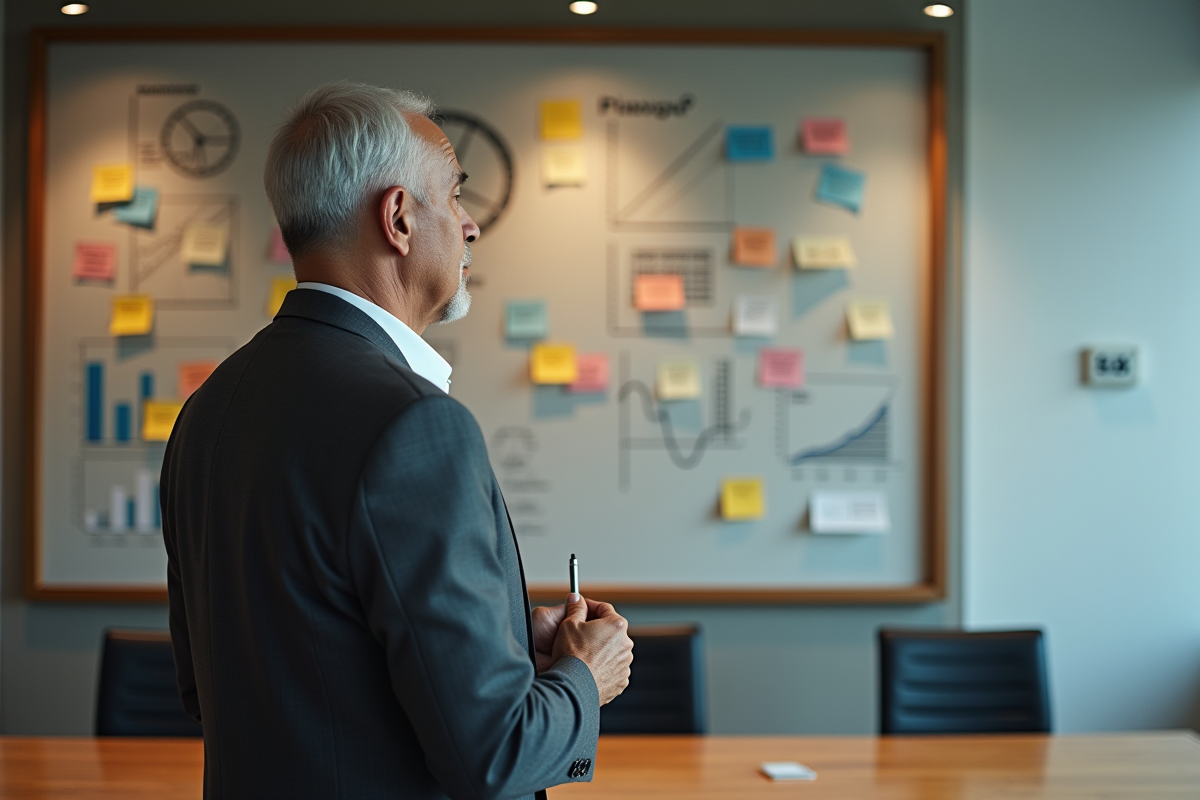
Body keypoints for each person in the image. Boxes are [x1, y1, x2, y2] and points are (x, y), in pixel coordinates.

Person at [161, 82, 634, 800]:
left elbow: (228, 689)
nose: (471, 225)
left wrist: (502, 647)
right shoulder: (417, 425)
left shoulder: (209, 410)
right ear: (399, 218)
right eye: (454, 196)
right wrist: (582, 678)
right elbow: (494, 759)